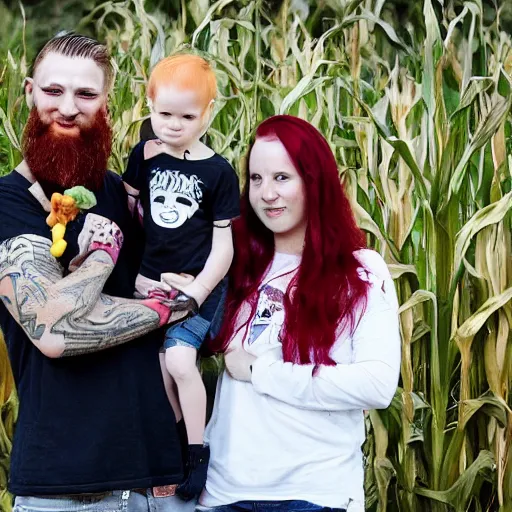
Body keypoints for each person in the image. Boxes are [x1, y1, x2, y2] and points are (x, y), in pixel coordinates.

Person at [0, 33, 200, 512]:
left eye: (86, 94)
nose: (68, 108)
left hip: (165, 486)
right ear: (29, 92)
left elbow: (198, 270)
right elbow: (53, 328)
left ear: (107, 103)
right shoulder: (8, 203)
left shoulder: (132, 194)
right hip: (68, 491)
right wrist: (107, 258)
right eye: (53, 91)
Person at [199, 115, 401, 512]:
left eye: (281, 178)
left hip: (313, 495)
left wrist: (262, 372)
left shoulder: (359, 270)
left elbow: (376, 385)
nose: (266, 194)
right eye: (256, 179)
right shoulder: (233, 264)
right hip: (225, 495)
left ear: (314, 180)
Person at [122, 54, 240, 500]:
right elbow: (131, 218)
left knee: (177, 362)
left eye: (187, 116)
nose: (173, 124)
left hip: (199, 286)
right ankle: (174, 444)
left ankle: (197, 452)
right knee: (158, 369)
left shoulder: (218, 172)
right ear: (149, 105)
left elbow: (224, 245)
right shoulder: (144, 158)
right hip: (152, 284)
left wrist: (196, 292)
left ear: (208, 114)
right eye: (163, 113)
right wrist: (135, 280)